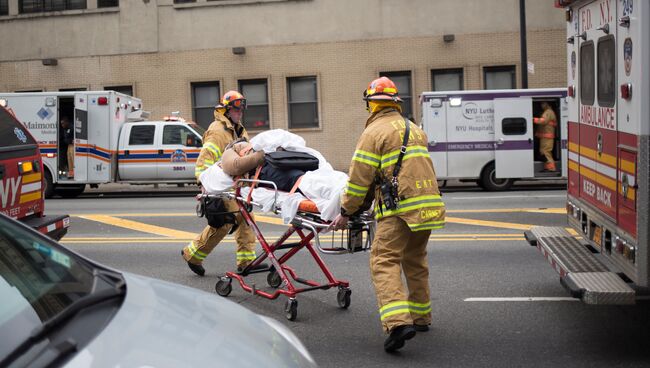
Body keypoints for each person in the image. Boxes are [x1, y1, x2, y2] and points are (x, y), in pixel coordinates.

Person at [331, 76, 446, 352]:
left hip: (400, 210)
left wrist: (348, 210)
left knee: (383, 260)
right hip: (428, 205)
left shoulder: (373, 133)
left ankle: (397, 323)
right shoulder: (413, 128)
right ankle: (421, 317)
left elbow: (360, 179)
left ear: (371, 104)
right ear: (395, 102)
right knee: (415, 260)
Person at [181, 91, 264, 276]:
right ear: (226, 110)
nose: (240, 112)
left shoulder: (239, 130)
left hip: (236, 185)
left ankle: (246, 262)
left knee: (246, 218)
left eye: (242, 108)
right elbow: (204, 160)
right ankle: (192, 255)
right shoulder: (217, 131)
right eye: (236, 108)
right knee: (225, 223)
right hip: (220, 186)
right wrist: (203, 186)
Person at [534, 102, 557, 172]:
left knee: (546, 152)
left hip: (547, 137)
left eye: (543, 104)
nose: (541, 105)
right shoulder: (547, 112)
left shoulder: (548, 112)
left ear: (547, 104)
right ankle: (548, 167)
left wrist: (532, 119)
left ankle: (551, 168)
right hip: (545, 137)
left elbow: (543, 121)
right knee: (543, 152)